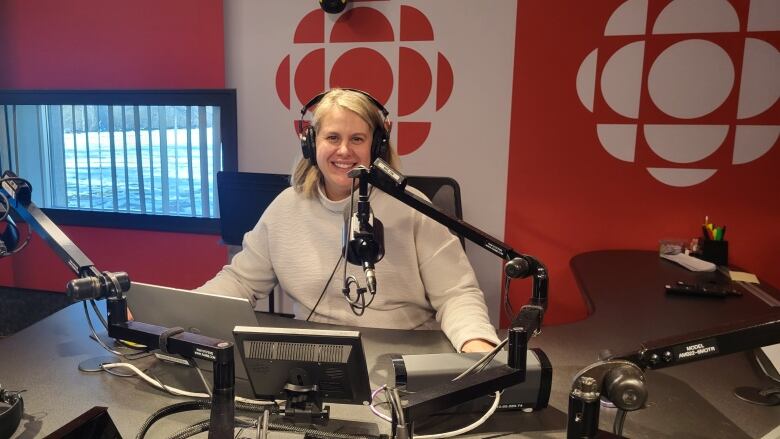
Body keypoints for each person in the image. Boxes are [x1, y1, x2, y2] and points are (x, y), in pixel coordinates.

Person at [198, 88, 498, 352]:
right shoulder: (286, 208)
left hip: (405, 357)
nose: (344, 150)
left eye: (357, 138)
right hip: (314, 361)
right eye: (332, 137)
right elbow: (240, 282)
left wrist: (475, 344)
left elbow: (456, 295)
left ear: (377, 146)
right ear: (312, 143)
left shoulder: (412, 208)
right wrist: (185, 315)